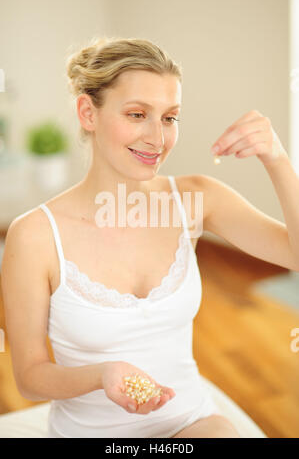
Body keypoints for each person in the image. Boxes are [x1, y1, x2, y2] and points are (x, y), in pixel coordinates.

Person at [2, 35, 264, 438]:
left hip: (191, 422)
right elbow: (30, 378)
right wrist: (103, 375)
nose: (158, 139)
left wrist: (277, 159)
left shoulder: (195, 198)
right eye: (138, 114)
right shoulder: (34, 235)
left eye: (170, 117)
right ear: (88, 113)